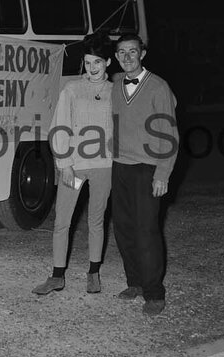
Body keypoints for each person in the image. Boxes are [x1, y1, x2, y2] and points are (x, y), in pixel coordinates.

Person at [32, 34, 114, 296]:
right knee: (62, 221)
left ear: (108, 62)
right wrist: (64, 164)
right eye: (88, 62)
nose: (92, 68)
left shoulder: (115, 92)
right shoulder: (71, 90)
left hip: (104, 166)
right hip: (75, 166)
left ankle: (93, 273)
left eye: (98, 62)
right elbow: (59, 128)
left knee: (96, 220)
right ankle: (57, 276)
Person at [110, 33, 179, 316]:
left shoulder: (158, 87)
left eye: (133, 51)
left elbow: (169, 134)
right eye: (122, 52)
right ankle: (135, 282)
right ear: (116, 57)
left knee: (146, 231)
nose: (127, 57)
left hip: (147, 167)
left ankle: (154, 293)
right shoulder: (115, 83)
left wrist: (162, 173)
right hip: (120, 166)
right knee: (123, 228)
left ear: (143, 54)